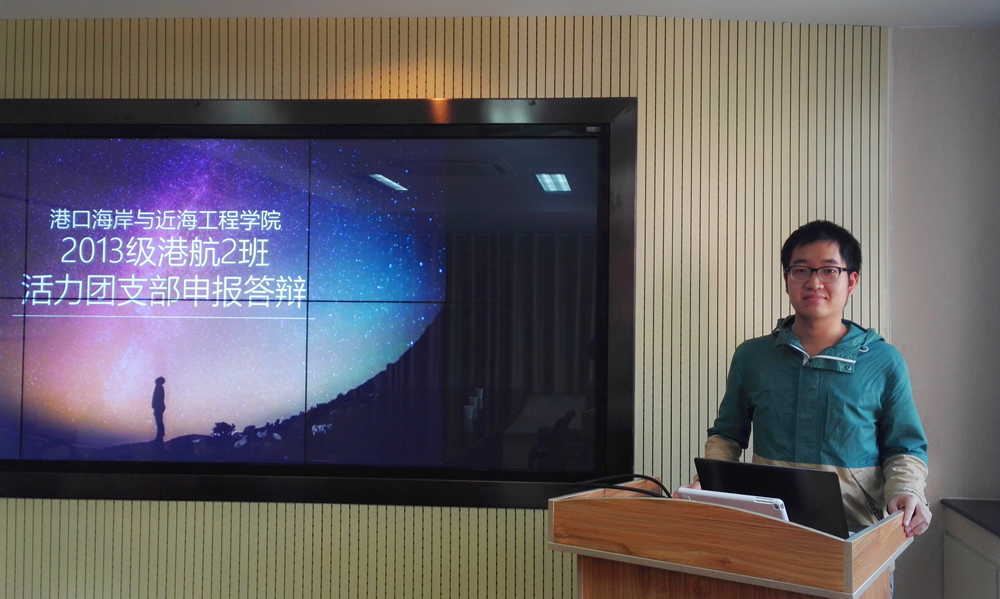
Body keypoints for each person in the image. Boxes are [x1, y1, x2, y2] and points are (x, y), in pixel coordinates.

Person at [686, 220, 930, 538]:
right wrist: (709, 482)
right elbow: (726, 437)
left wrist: (908, 491)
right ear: (787, 280)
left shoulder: (883, 361)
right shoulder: (753, 357)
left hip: (859, 535)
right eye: (801, 270)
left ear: (851, 281)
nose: (814, 283)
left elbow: (904, 447)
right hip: (770, 530)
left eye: (829, 270)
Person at [152, 376, 166, 442]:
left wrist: (156, 405)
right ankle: (159, 436)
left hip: (158, 407)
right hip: (158, 407)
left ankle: (160, 437)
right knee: (159, 421)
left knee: (159, 422)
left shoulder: (159, 388)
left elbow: (159, 398)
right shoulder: (158, 387)